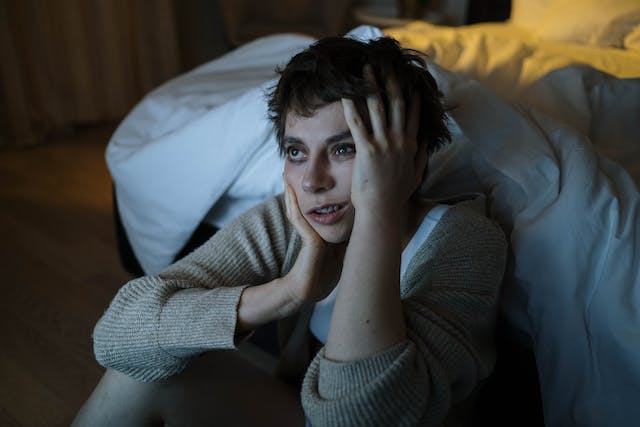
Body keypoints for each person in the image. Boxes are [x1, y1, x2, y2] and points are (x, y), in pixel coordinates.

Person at [73, 35, 507, 426]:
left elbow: (355, 419)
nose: (313, 181)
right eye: (296, 152)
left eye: (344, 149)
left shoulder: (465, 242)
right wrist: (286, 292)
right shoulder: (293, 218)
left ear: (406, 156)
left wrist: (378, 208)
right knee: (145, 373)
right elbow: (116, 337)